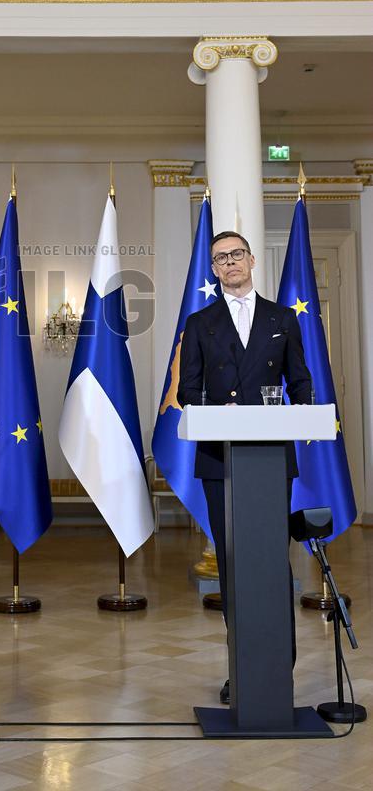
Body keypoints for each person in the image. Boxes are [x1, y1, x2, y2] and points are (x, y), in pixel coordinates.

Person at [177, 231, 312, 705]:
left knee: (273, 565)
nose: (230, 263)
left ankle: (280, 671)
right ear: (213, 269)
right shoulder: (199, 322)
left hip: (271, 460)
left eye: (236, 255)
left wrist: (304, 415)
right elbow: (186, 392)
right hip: (221, 460)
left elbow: (301, 383)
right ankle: (243, 669)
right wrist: (218, 415)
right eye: (220, 259)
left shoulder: (282, 318)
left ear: (252, 260)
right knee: (234, 565)